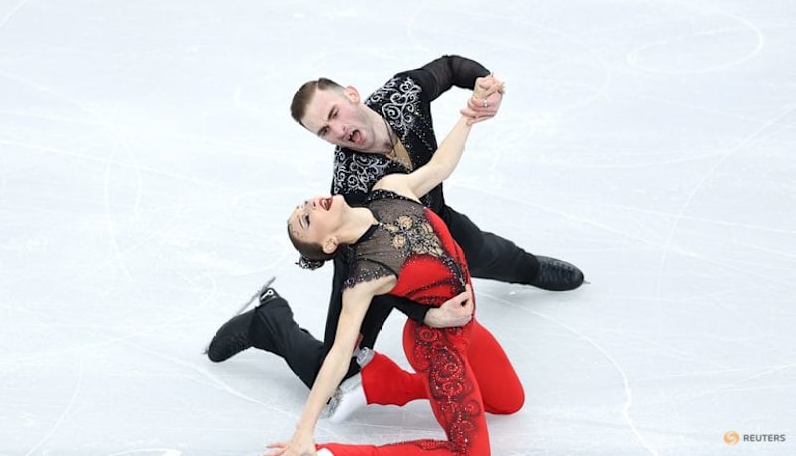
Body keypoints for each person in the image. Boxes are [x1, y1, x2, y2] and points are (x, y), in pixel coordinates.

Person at [207, 55, 583, 414]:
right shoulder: (352, 185)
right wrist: (425, 313)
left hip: (435, 222)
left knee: (487, 251)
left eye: (335, 114)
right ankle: (269, 321)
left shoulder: (402, 94)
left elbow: (450, 67)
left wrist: (485, 84)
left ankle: (531, 270)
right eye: (325, 131)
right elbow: (388, 273)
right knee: (334, 374)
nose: (338, 131)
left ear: (352, 95)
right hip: (372, 262)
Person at [268, 86, 518, 455]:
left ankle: (380, 382)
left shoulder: (390, 189)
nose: (308, 205)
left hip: (468, 327)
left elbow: (439, 167)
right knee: (469, 451)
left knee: (510, 403)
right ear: (329, 244)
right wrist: (304, 432)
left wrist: (469, 116)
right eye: (306, 219)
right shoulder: (363, 276)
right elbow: (338, 355)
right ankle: (332, 454)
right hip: (437, 344)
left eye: (302, 204)